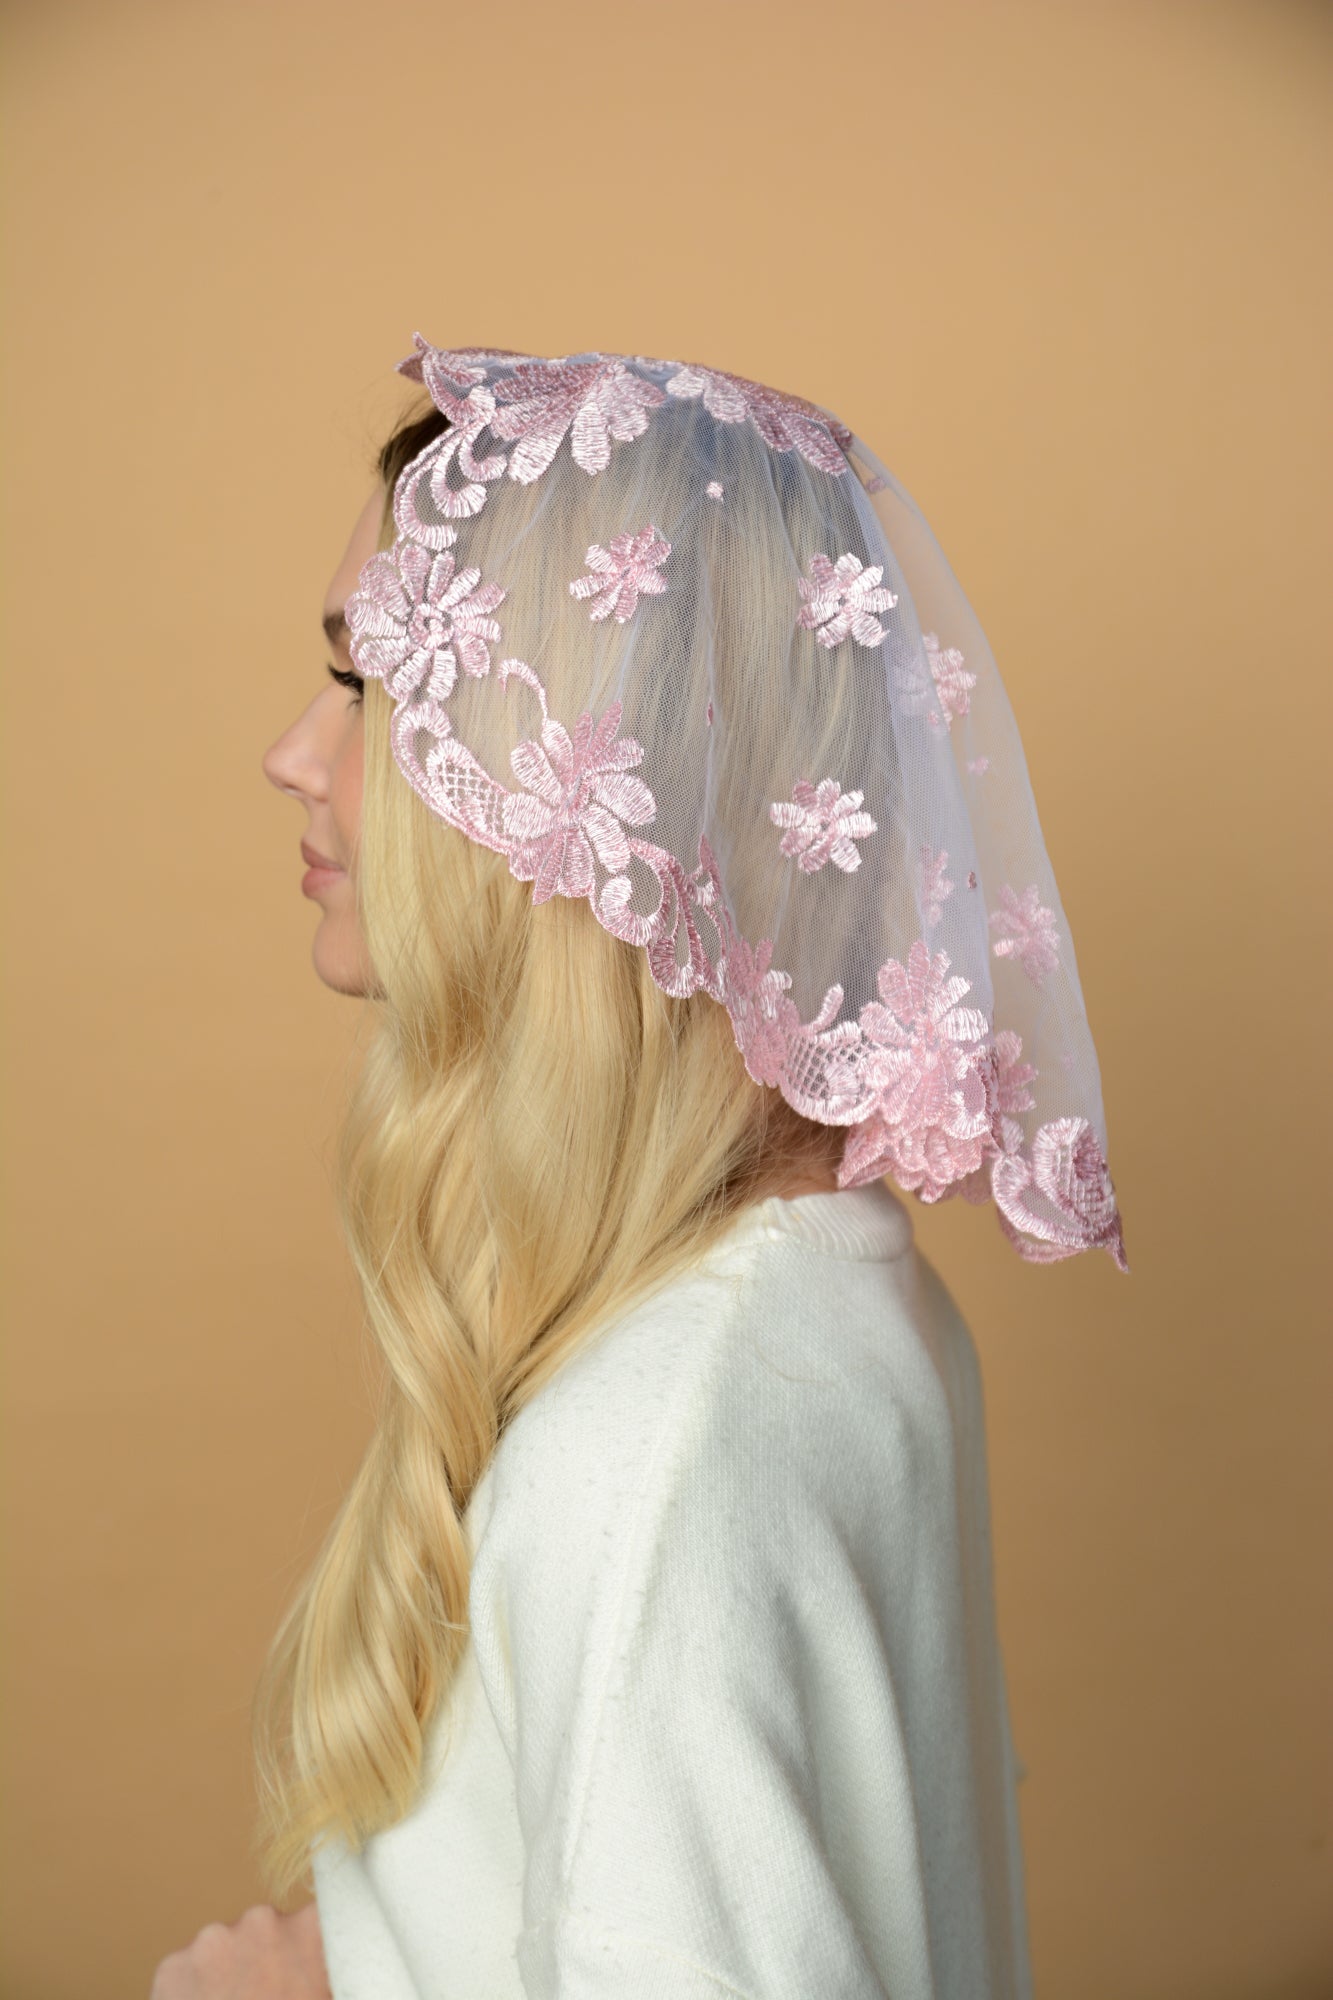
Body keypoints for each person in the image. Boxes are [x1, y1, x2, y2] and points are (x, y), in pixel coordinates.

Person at [153, 338, 1125, 1998]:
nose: (295, 756)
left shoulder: (656, 1447)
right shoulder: (822, 1294)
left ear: (578, 785)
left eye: (371, 687)